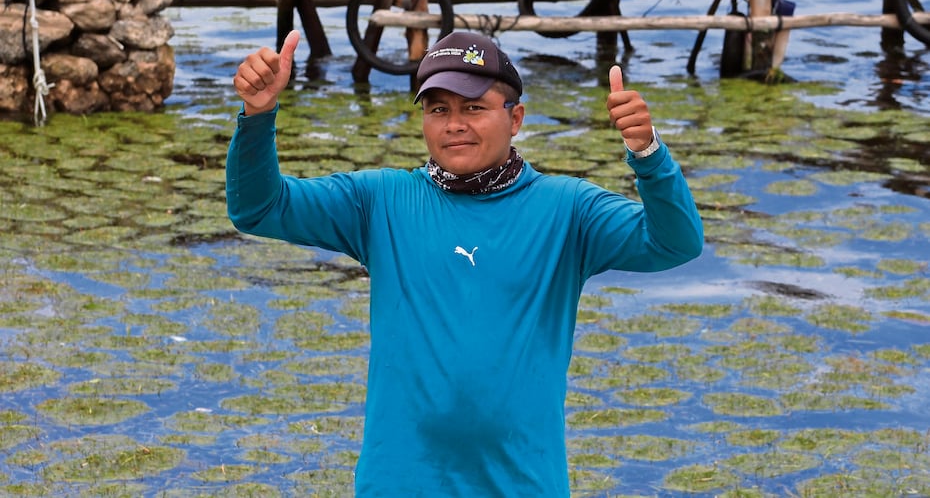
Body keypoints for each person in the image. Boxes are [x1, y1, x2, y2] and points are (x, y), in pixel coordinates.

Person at [226, 29, 703, 496]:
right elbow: (259, 208)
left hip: (522, 483)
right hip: (397, 483)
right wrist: (258, 115)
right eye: (438, 109)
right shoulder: (380, 201)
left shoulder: (567, 208)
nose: (454, 123)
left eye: (473, 107)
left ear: (515, 118)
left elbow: (675, 243)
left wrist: (648, 153)